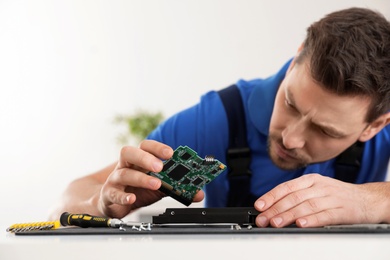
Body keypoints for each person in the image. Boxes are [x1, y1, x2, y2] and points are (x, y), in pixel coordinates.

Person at [49, 7, 390, 228]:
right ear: (295, 58)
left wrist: (369, 200)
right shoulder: (217, 119)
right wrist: (101, 202)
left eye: (324, 130)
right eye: (291, 103)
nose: (290, 138)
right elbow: (63, 204)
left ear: (376, 125)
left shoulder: (381, 126)